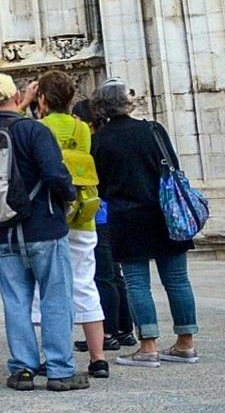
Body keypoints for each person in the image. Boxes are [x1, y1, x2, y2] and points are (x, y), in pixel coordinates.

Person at [0, 73, 85, 392]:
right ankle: (60, 370)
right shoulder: (34, 130)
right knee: (55, 297)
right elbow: (54, 173)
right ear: (19, 95)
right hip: (44, 228)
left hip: (3, 233)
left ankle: (22, 369)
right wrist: (69, 196)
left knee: (15, 301)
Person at [89, 82, 200, 368]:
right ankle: (186, 343)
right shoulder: (153, 129)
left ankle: (148, 345)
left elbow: (98, 183)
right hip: (167, 213)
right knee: (177, 280)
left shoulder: (100, 139)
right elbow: (173, 165)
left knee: (137, 283)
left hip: (127, 216)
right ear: (128, 102)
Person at [34, 74, 107, 379]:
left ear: (42, 100)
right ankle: (98, 359)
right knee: (85, 284)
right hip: (83, 215)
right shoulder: (82, 128)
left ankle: (44, 355)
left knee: (44, 289)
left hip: (50, 216)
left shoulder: (39, 128)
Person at [72, 99, 135, 351]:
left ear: (88, 122)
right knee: (114, 274)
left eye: (76, 119)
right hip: (112, 211)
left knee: (102, 274)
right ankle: (123, 329)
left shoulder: (94, 143)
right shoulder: (109, 140)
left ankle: (106, 331)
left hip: (99, 213)